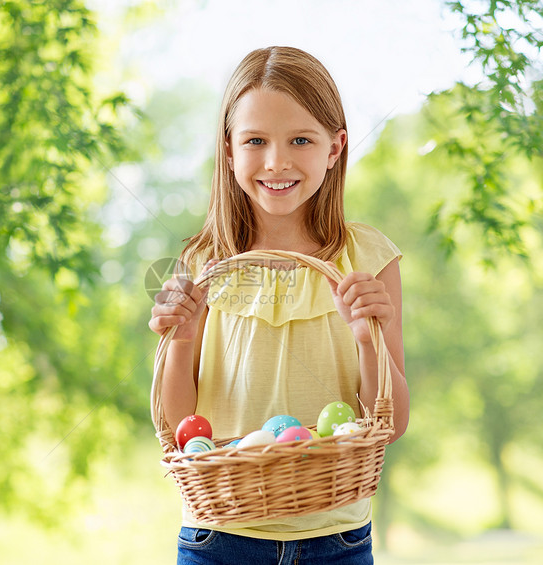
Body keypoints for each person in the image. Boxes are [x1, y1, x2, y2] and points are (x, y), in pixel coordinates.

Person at [149, 46, 410, 564]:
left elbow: (392, 423)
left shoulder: (368, 259)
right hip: (218, 537)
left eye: (300, 140)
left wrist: (366, 337)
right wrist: (180, 341)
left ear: (334, 148)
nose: (277, 161)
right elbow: (177, 431)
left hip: (336, 538)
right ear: (229, 150)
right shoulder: (204, 261)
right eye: (255, 141)